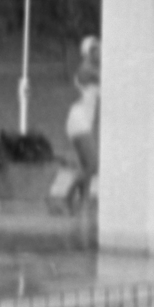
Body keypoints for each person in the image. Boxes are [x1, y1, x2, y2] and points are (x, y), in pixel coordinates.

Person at [64, 35, 101, 208]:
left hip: (81, 121)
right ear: (88, 53)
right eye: (97, 49)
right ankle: (67, 198)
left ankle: (83, 204)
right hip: (79, 121)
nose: (101, 52)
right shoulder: (87, 69)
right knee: (93, 165)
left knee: (87, 166)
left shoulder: (92, 68)